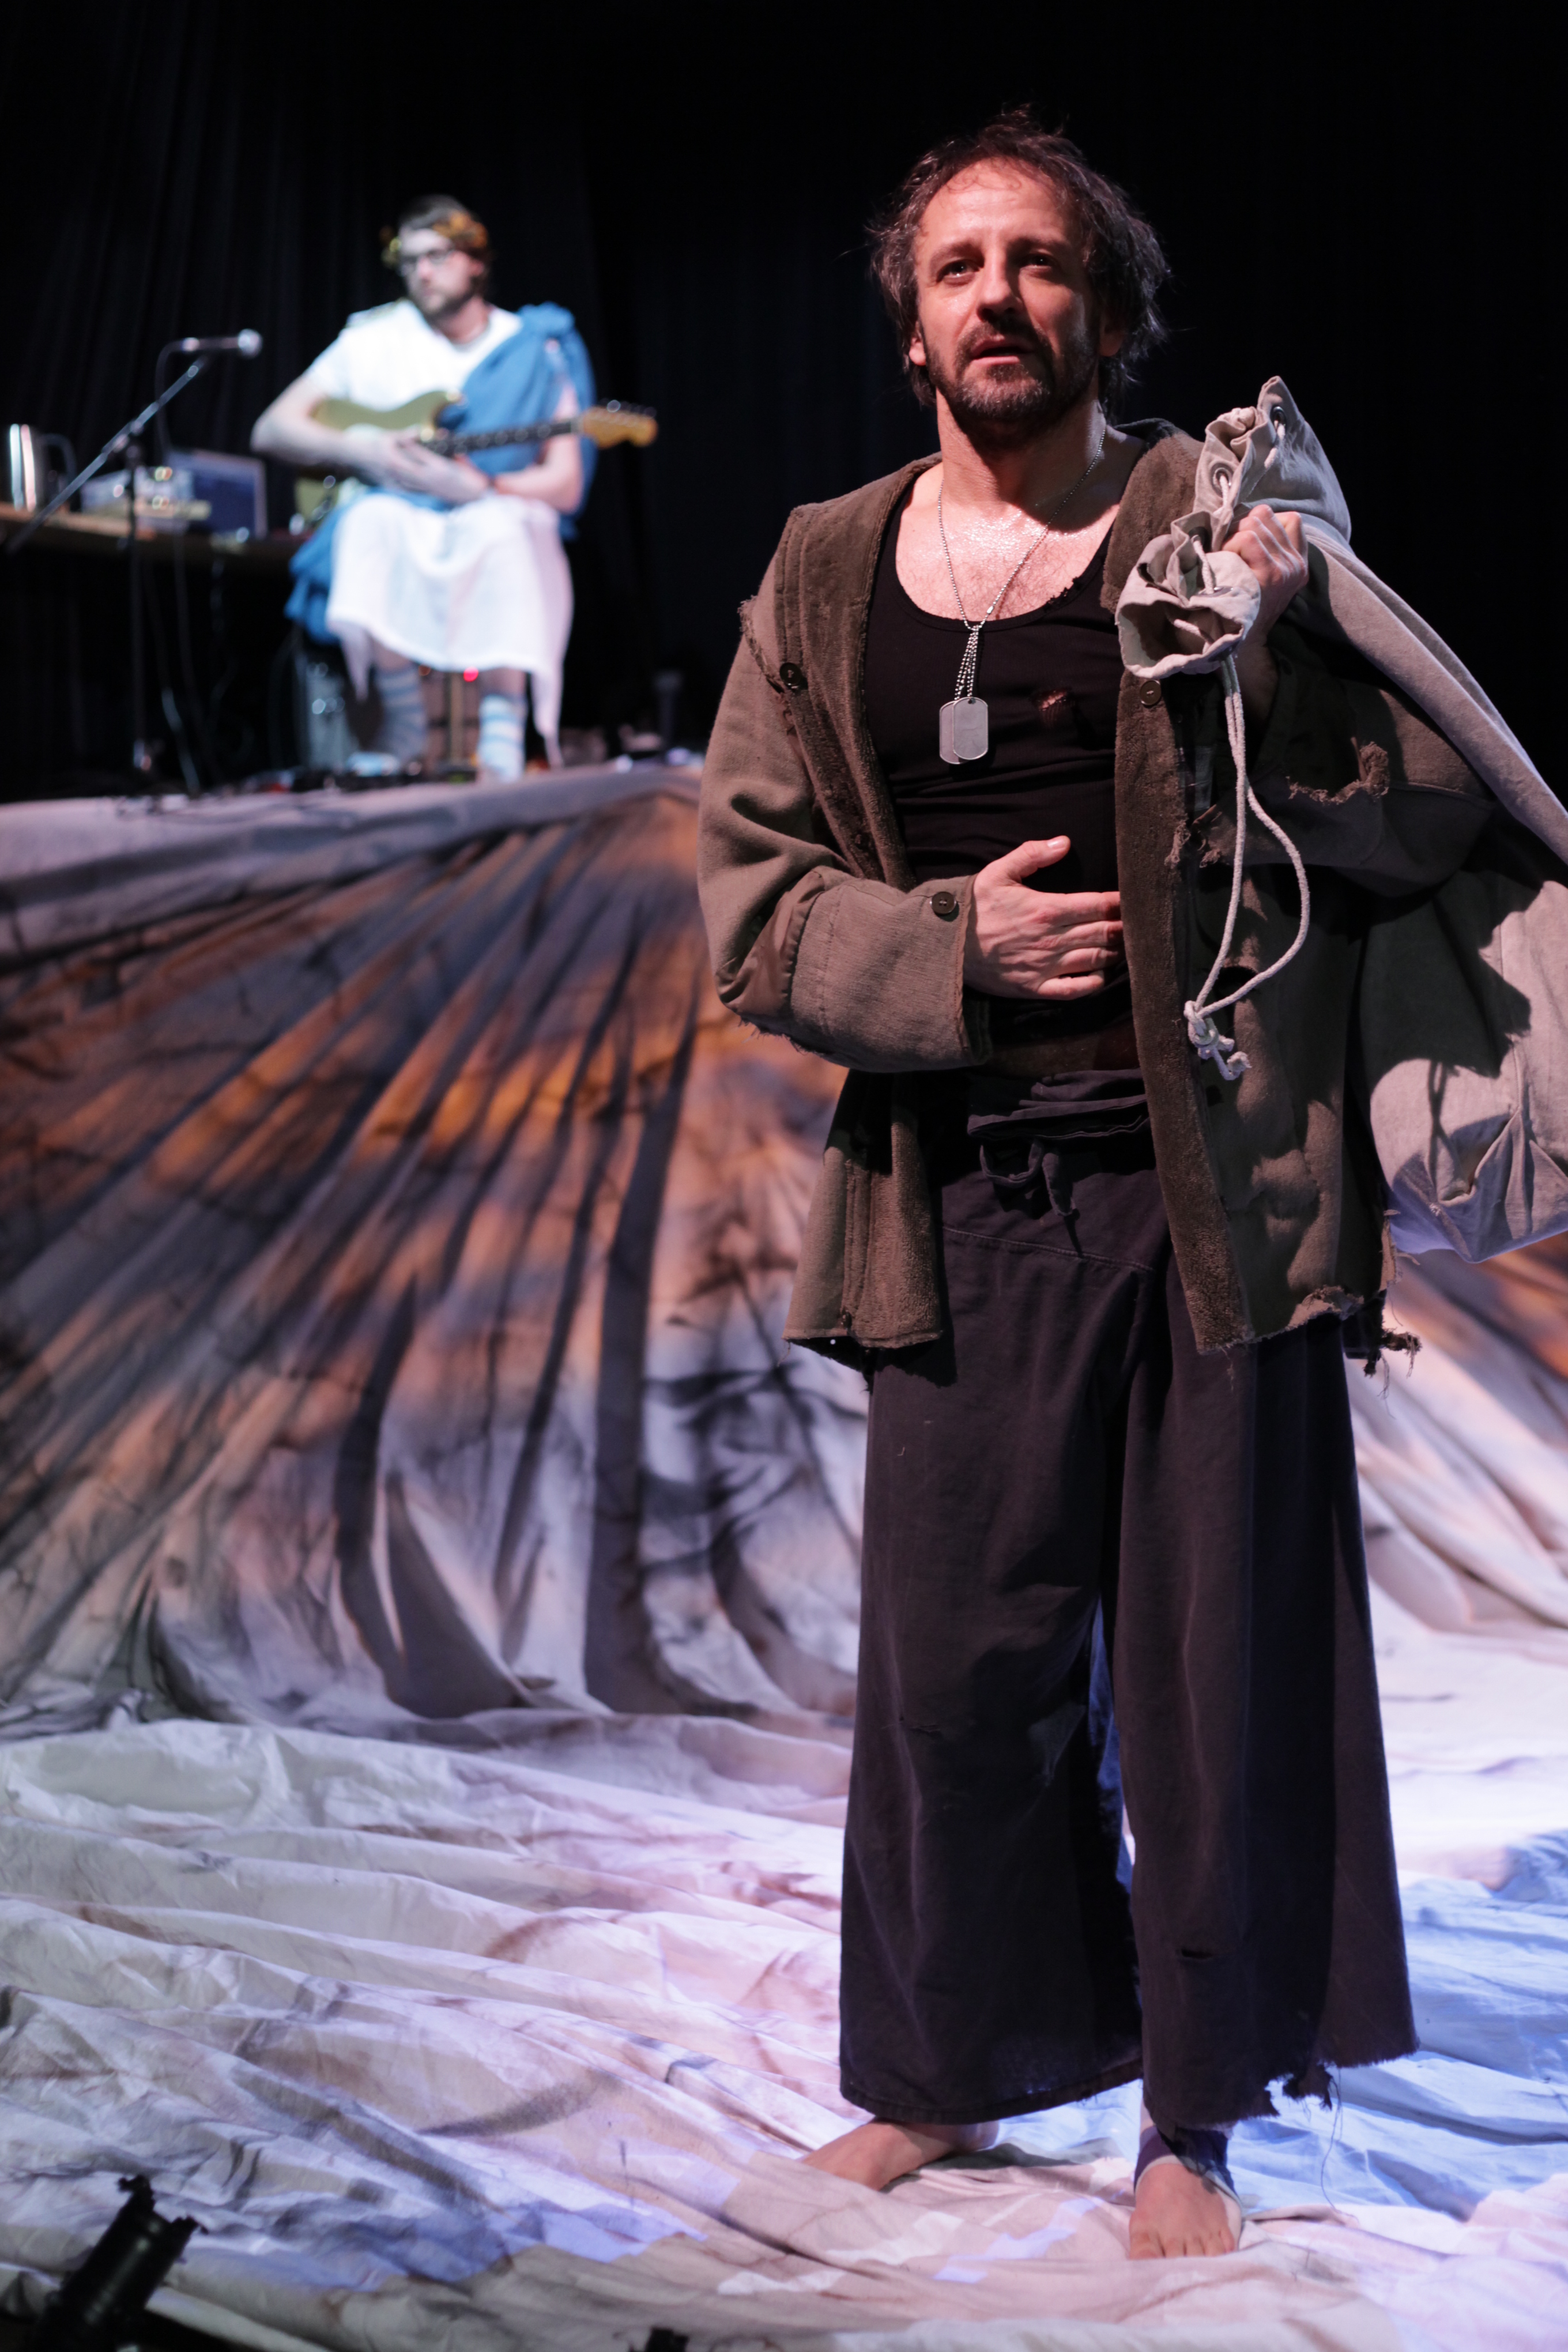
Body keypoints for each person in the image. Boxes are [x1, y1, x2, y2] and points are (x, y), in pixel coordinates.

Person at [697, 110, 1501, 2260]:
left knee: (1209, 1673)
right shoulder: (821, 568)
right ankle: (945, 2069)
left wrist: (1295, 627)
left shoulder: (1208, 516)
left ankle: (1193, 2108)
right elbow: (753, 906)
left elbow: (1411, 804)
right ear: (910, 328)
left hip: (1210, 1187)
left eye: (1039, 261)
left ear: (1108, 310)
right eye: (958, 266)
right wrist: (949, 947)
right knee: (953, 1670)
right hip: (960, 1187)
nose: (998, 296)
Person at [252, 196, 593, 777]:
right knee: (369, 522)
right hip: (405, 508)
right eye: (408, 261)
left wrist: (484, 485)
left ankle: (503, 731)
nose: (422, 273)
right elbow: (271, 428)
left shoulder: (535, 346)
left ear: (476, 260)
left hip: (493, 504)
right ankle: (404, 720)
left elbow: (565, 485)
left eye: (436, 256)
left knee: (502, 528)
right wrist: (364, 451)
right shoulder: (374, 339)